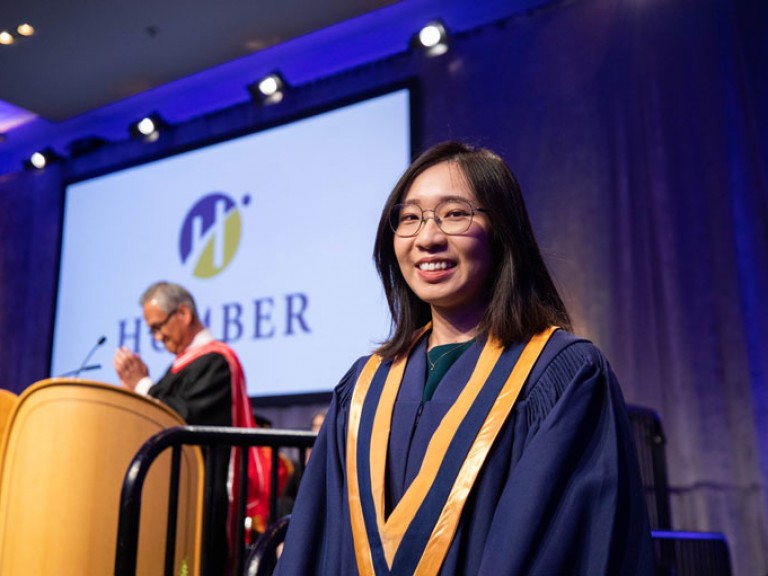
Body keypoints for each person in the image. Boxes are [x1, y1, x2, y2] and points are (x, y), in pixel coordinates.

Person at [275, 141, 654, 575]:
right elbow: (313, 545)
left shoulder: (560, 376)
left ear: (502, 232)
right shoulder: (364, 388)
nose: (428, 238)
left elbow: (568, 548)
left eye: (455, 214)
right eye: (410, 218)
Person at [113, 281, 282, 572]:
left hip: (203, 496)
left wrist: (142, 384)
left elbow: (182, 416)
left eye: (158, 327)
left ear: (183, 313)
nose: (157, 338)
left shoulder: (216, 361)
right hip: (174, 493)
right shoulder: (180, 366)